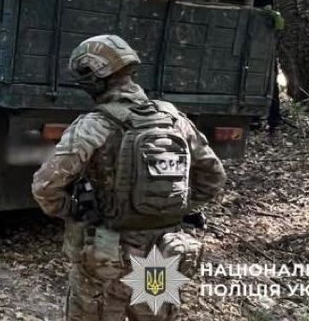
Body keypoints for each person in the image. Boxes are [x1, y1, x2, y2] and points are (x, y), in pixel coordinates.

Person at [31, 35, 226, 321]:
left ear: (94, 78)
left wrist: (76, 212)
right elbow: (214, 178)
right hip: (163, 252)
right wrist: (170, 210)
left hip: (105, 255)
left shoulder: (94, 125)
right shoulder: (174, 119)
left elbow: (45, 187)